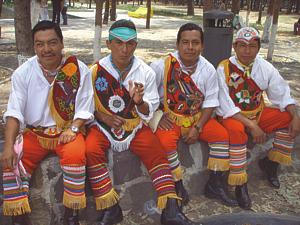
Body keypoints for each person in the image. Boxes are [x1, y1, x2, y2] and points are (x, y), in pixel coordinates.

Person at [85, 19, 201, 225]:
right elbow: (85, 105)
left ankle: (170, 209)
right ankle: (110, 208)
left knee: (155, 150)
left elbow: (151, 108)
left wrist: (139, 103)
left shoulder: (145, 71)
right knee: (91, 148)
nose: (124, 49)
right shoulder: (95, 71)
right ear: (108, 44)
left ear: (136, 45)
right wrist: (103, 117)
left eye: (130, 44)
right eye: (119, 43)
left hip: (135, 125)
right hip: (103, 126)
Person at [0, 21, 94, 225]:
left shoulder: (78, 70)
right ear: (34, 47)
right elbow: (14, 112)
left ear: (61, 43)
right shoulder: (23, 72)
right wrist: (8, 147)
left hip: (67, 130)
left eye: (52, 43)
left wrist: (74, 128)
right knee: (12, 162)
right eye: (40, 44)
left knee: (76, 155)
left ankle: (72, 215)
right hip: (35, 133)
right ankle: (18, 216)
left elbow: (85, 106)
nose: (46, 49)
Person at [150, 23, 237, 208]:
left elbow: (211, 102)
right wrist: (158, 113)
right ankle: (177, 185)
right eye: (185, 42)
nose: (190, 47)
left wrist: (198, 127)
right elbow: (150, 94)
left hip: (198, 117)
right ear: (177, 44)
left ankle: (215, 184)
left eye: (195, 43)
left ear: (202, 46)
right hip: (170, 118)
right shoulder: (161, 66)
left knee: (222, 136)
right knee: (164, 143)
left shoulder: (208, 70)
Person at [216, 27, 300, 210]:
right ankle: (240, 183)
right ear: (234, 46)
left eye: (252, 46)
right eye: (242, 46)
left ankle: (271, 163)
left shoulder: (265, 67)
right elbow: (224, 105)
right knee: (237, 132)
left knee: (287, 117)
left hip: (257, 113)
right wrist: (251, 126)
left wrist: (295, 115)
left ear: (258, 48)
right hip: (233, 116)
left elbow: (282, 94)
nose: (247, 51)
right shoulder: (223, 68)